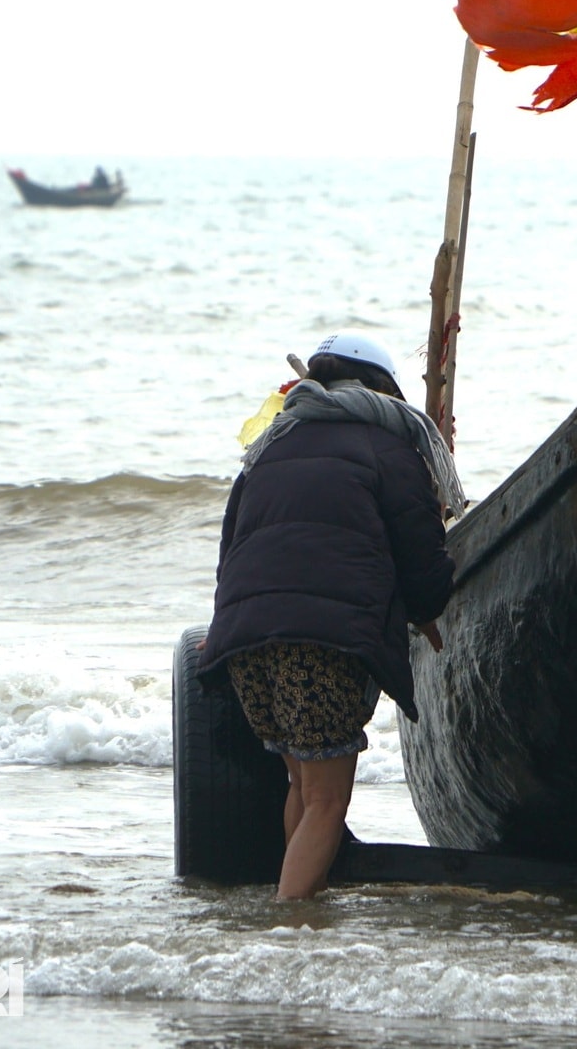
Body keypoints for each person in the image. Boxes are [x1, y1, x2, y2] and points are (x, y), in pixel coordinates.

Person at [200, 329, 465, 899]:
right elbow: (421, 555)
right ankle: (290, 920)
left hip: (245, 642)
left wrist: (224, 625)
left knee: (302, 785)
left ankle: (305, 911)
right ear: (382, 389)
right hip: (322, 644)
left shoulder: (270, 445)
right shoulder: (390, 448)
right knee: (326, 800)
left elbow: (233, 548)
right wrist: (427, 609)